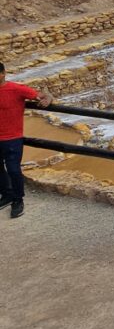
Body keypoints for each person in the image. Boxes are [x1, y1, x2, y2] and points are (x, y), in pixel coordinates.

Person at [0, 61, 51, 219]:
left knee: (14, 170)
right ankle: (7, 194)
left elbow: (44, 95)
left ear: (3, 73)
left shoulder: (16, 89)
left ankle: (18, 200)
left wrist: (48, 99)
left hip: (12, 138)